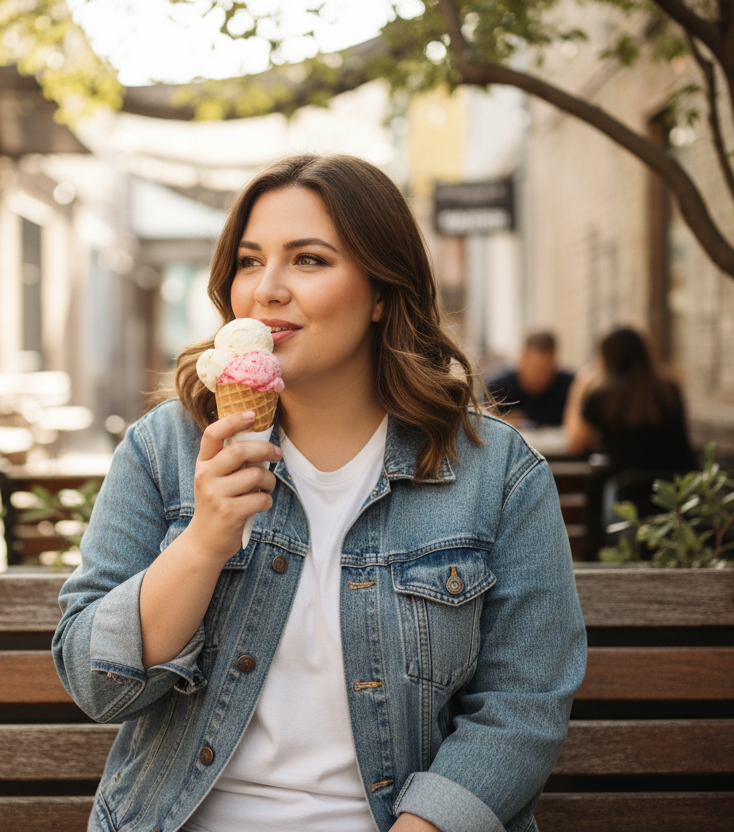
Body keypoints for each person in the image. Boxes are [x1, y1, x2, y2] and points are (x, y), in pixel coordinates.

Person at [53, 154, 586, 832]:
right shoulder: (165, 450)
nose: (267, 289)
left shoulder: (495, 473)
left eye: (308, 260)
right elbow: (96, 686)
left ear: (383, 292)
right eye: (249, 261)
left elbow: (523, 707)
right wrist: (204, 542)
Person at [564, 327, 697, 517]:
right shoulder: (670, 390)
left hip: (629, 499)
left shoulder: (603, 395)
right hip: (680, 498)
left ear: (605, 357)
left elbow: (575, 443)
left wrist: (579, 390)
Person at [485, 332, 574, 428]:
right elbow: (483, 423)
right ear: (522, 358)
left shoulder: (570, 386)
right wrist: (502, 422)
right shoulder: (498, 388)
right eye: (534, 368)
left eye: (545, 368)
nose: (539, 375)